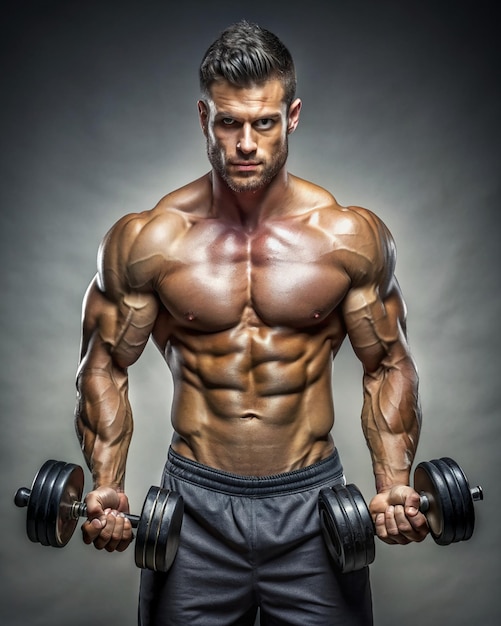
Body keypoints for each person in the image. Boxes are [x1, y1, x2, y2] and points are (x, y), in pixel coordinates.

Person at [74, 20, 428, 626]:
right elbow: (103, 364)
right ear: (203, 117)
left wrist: (394, 482)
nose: (245, 143)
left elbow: (388, 363)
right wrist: (106, 482)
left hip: (314, 508)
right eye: (228, 122)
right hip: (194, 509)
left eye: (263, 123)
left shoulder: (348, 236)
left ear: (291, 116)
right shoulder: (149, 240)